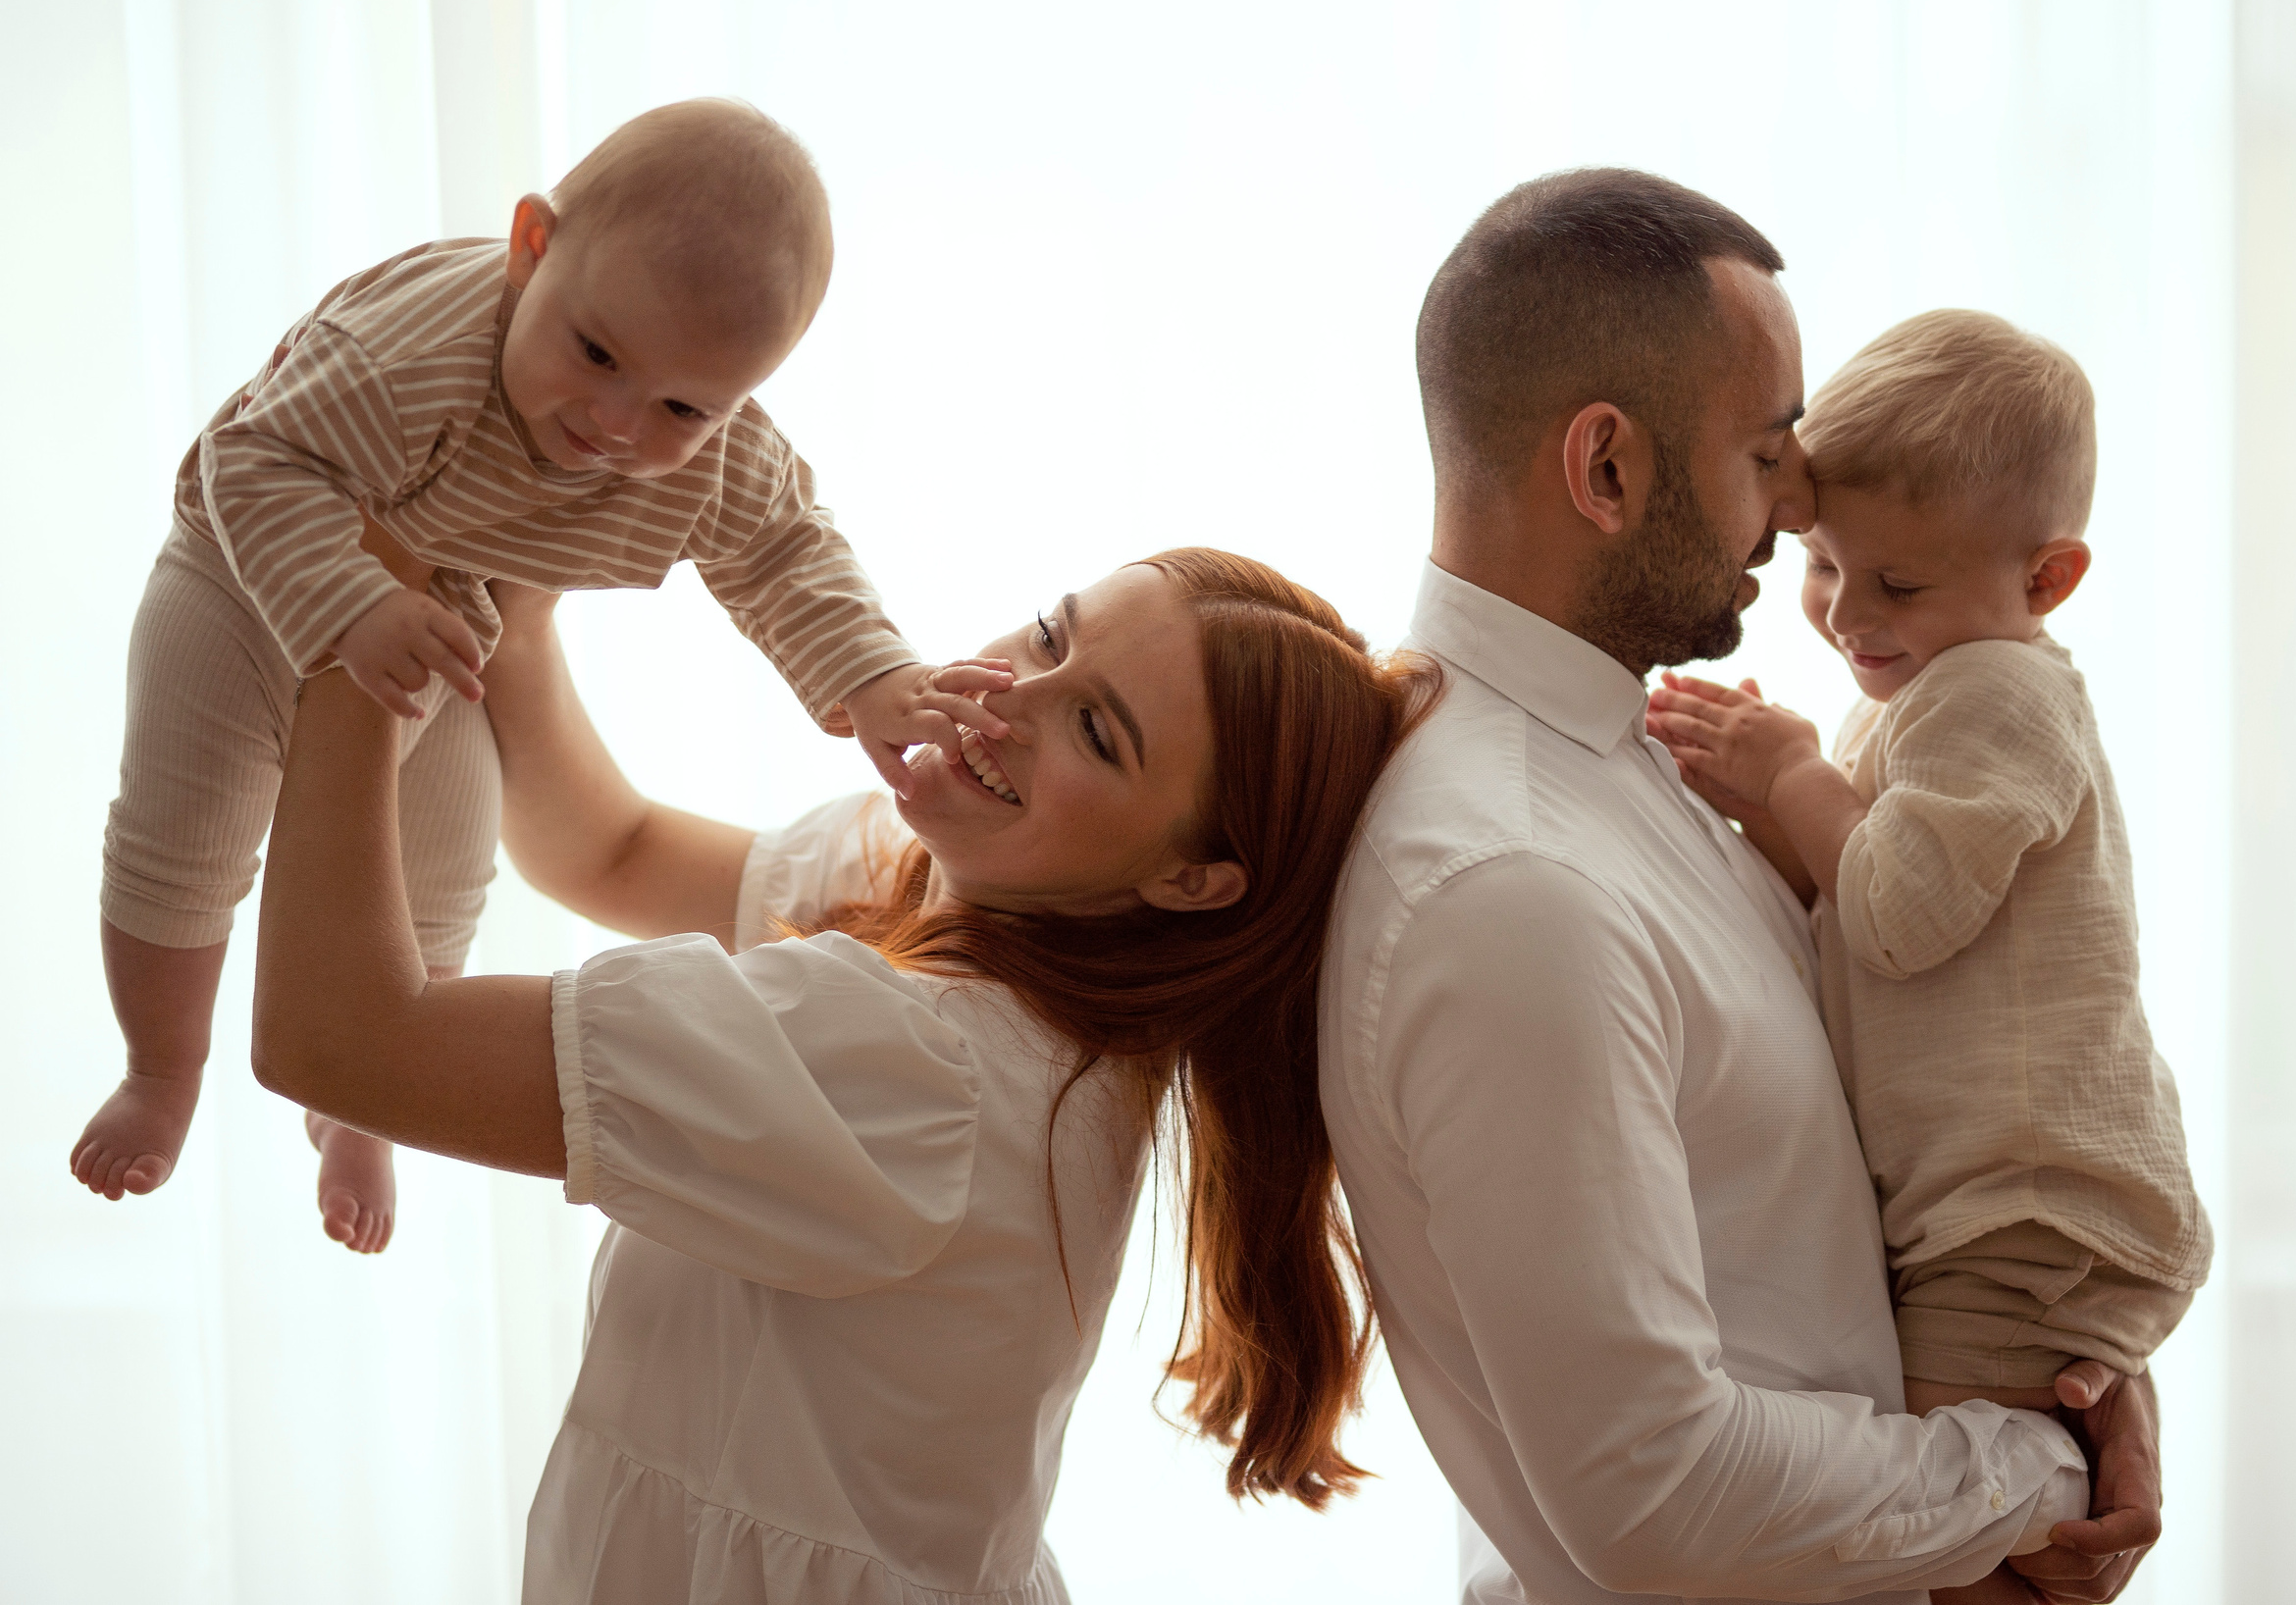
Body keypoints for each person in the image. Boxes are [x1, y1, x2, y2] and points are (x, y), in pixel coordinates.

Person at [250, 550, 1437, 1601]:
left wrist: (353, 625)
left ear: (1191, 879)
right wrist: (521, 587)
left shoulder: (918, 1065)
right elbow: (605, 847)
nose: (1010, 700)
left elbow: (336, 1043)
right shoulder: (949, 885)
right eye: (1046, 632)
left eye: (1094, 731)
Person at [1319, 170, 2161, 1604]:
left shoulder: (1633, 772)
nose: (1796, 501)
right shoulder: (1511, 878)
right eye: (1770, 450)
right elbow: (1655, 1489)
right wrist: (2033, 1467)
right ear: (1607, 470)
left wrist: (2065, 1366)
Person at [75, 98, 1001, 1253]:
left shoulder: (720, 455)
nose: (615, 421)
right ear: (531, 247)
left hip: (443, 611)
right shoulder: (411, 353)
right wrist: (352, 601)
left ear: (745, 394)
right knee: (187, 830)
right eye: (596, 353)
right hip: (240, 577)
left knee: (448, 859)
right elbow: (248, 460)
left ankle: (358, 1111)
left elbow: (784, 549)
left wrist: (869, 672)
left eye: (682, 407)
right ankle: (161, 1068)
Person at [1647, 311, 2211, 1451]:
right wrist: (1764, 797)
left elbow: (1897, 916)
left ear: (2047, 578)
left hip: (2027, 1218)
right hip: (2008, 1216)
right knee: (1976, 1512)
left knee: (1965, 1532)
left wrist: (1795, 774)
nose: (1847, 616)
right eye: (1821, 566)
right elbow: (1843, 899)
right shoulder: (1920, 692)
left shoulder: (1990, 692)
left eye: (1896, 584)